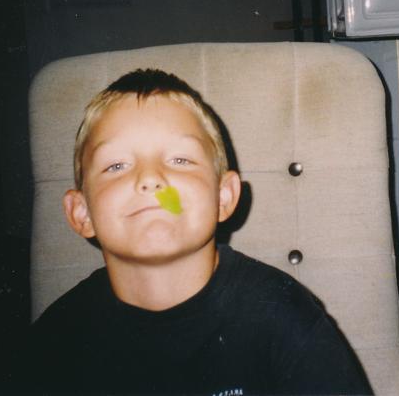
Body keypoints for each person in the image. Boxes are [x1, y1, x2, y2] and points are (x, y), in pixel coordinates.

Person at [21, 69, 372, 395]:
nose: (150, 179)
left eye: (180, 160)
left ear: (224, 197)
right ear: (81, 213)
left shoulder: (280, 315)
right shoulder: (58, 340)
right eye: (116, 165)